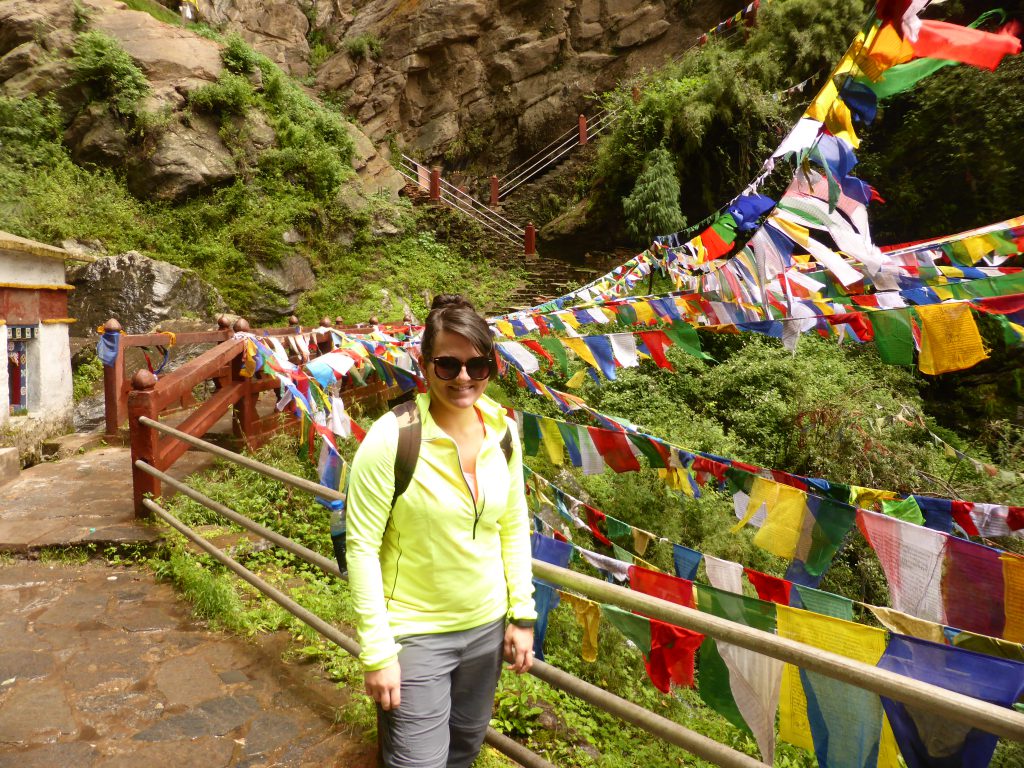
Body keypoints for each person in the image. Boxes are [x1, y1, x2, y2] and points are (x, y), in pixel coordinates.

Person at [346, 294, 536, 768]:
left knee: (463, 751)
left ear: (492, 364)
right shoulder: (392, 439)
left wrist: (523, 614)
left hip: (487, 629)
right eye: (448, 365)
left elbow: (512, 525)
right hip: (414, 633)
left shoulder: (503, 433)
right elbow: (362, 549)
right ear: (425, 365)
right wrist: (377, 652)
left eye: (477, 364)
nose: (464, 377)